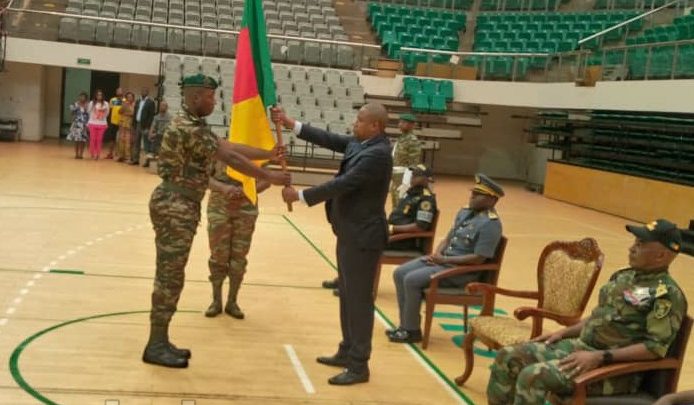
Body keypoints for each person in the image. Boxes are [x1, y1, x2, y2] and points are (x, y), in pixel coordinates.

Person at [143, 74, 290, 369]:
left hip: (181, 204)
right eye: (210, 97)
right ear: (196, 98)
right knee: (169, 276)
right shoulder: (188, 127)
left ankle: (161, 339)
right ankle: (155, 344)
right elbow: (230, 158)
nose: (213, 101)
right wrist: (270, 176)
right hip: (175, 206)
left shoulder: (194, 124)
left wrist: (267, 154)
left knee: (172, 274)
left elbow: (230, 146)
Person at [487, 219, 686, 405]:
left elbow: (653, 348)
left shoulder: (666, 295)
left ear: (661, 255)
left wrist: (601, 357)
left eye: (641, 244)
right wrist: (563, 333)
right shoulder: (624, 276)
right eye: (635, 242)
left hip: (613, 371)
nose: (632, 248)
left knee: (533, 376)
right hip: (582, 349)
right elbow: (600, 318)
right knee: (508, 356)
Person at [272, 102, 393, 386]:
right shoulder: (362, 144)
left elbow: (344, 183)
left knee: (359, 301)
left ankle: (359, 365)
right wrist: (291, 124)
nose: (354, 124)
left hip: (364, 237)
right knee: (347, 295)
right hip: (349, 232)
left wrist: (300, 196)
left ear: (375, 126)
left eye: (360, 121)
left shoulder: (377, 154)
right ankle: (347, 350)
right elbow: (330, 139)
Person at [387, 174, 504, 344]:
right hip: (444, 262)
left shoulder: (491, 225)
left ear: (492, 200)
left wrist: (443, 261)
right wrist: (438, 255)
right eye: (473, 193)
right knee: (400, 272)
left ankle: (411, 331)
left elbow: (478, 259)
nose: (472, 197)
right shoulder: (465, 213)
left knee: (411, 280)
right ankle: (405, 324)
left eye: (478, 195)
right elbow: (447, 239)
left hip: (461, 273)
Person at [322, 164, 438, 295]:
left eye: (416, 175)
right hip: (391, 236)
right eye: (412, 174)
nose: (412, 177)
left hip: (404, 241)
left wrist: (392, 229)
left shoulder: (426, 199)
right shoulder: (410, 194)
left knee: (362, 243)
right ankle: (345, 280)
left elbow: (420, 227)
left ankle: (356, 286)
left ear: (426, 179)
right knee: (352, 237)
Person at [204, 160, 270, 319]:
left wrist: (246, 191)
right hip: (219, 209)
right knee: (218, 255)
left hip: (245, 210)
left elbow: (267, 180)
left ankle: (232, 302)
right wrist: (223, 188)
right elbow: (204, 178)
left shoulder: (256, 155)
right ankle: (216, 301)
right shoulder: (218, 153)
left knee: (239, 258)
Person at [389, 113, 422, 210]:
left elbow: (413, 163)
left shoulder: (412, 140)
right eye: (400, 122)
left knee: (401, 205)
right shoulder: (402, 138)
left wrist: (406, 183)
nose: (400, 124)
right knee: (395, 204)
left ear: (412, 125)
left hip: (403, 177)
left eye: (403, 122)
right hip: (395, 176)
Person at [132, 87, 156, 165]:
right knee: (136, 143)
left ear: (147, 92)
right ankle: (135, 159)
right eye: (142, 91)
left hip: (145, 126)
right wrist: (134, 124)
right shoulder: (138, 101)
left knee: (146, 144)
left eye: (145, 91)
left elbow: (151, 116)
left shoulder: (150, 102)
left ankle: (147, 161)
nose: (143, 92)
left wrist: (148, 128)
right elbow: (135, 112)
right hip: (137, 124)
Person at [87, 89, 109, 160]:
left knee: (99, 140)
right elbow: (88, 112)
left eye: (101, 95)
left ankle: (97, 154)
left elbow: (107, 113)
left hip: (102, 124)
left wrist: (104, 121)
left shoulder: (106, 103)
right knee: (92, 139)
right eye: (98, 95)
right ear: (95, 96)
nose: (99, 96)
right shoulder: (91, 103)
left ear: (102, 96)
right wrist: (89, 122)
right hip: (92, 123)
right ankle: (92, 153)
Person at [66, 91, 89, 159]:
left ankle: (81, 154)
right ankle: (76, 154)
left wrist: (88, 124)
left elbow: (89, 115)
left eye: (83, 97)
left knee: (83, 140)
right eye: (81, 96)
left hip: (84, 124)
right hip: (76, 124)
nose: (82, 98)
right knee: (77, 140)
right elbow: (72, 113)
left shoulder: (87, 105)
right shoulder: (75, 104)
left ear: (86, 98)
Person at [104, 87, 124, 159]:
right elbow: (111, 110)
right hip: (113, 122)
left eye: (120, 90)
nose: (119, 92)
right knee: (112, 139)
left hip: (122, 122)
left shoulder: (125, 100)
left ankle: (119, 154)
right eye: (117, 91)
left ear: (123, 91)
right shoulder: (112, 100)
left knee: (120, 139)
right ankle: (110, 154)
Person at [116, 92, 135, 163]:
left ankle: (128, 157)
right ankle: (121, 156)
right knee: (121, 140)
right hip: (123, 124)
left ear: (133, 98)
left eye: (131, 97)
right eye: (128, 97)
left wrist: (127, 113)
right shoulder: (124, 104)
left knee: (128, 141)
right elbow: (119, 111)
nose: (129, 98)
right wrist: (124, 107)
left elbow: (133, 113)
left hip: (130, 124)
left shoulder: (135, 105)